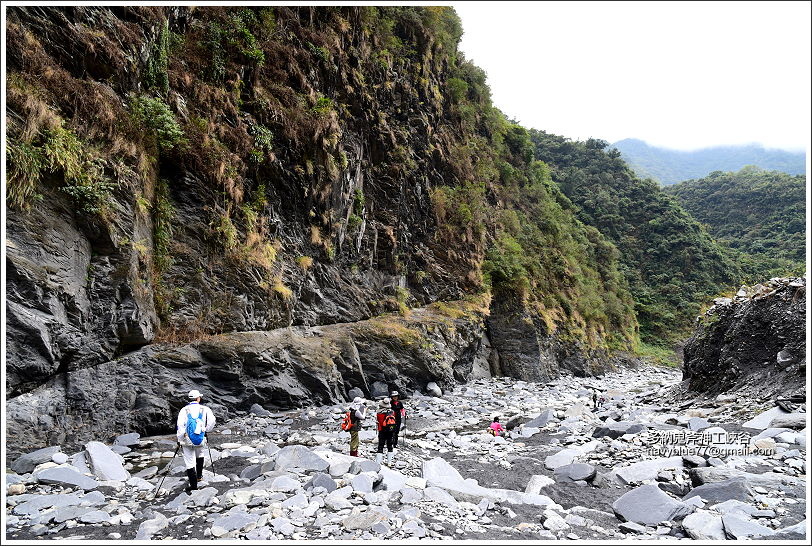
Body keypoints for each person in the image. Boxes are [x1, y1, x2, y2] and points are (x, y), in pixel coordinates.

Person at [176, 389, 216, 493]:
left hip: (187, 439)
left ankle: (193, 486)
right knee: (200, 453)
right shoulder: (205, 409)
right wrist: (205, 430)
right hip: (200, 438)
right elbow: (212, 422)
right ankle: (199, 476)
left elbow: (180, 425)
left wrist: (180, 439)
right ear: (198, 398)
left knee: (190, 462)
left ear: (189, 399)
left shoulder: (184, 410)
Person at [375, 398, 397, 465]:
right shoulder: (392, 412)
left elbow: (378, 422)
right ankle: (389, 462)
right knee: (390, 445)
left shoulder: (379, 413)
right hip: (390, 430)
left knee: (380, 445)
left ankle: (378, 462)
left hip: (382, 431)